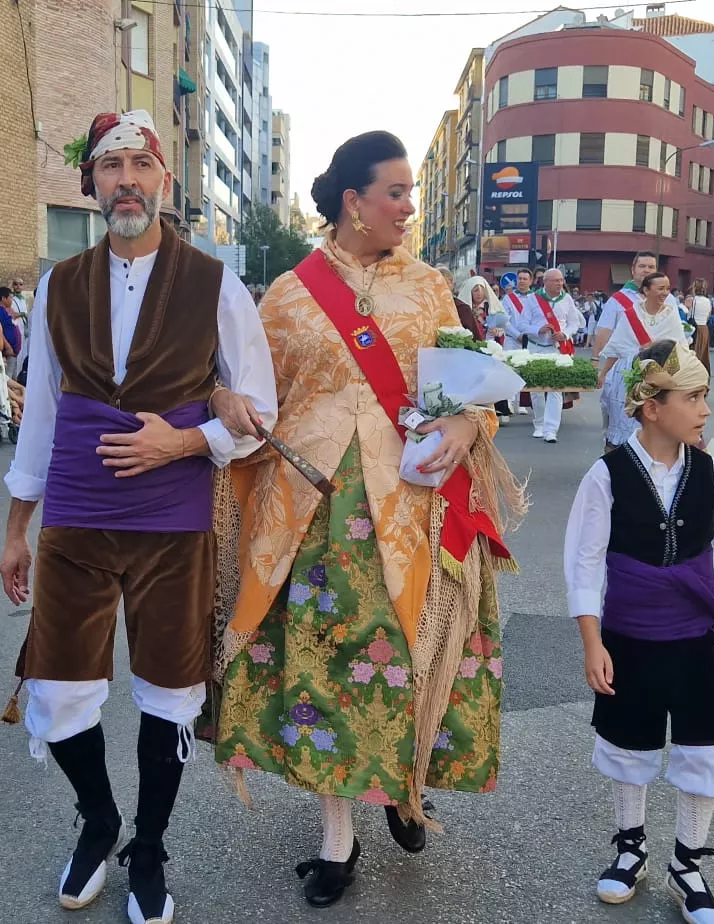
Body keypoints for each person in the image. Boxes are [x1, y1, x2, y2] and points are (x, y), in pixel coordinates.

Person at [211, 130, 521, 910]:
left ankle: (408, 783)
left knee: (412, 650)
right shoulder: (286, 294)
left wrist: (465, 425)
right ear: (354, 201)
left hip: (413, 506)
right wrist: (221, 401)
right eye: (397, 193)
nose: (409, 208)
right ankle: (337, 837)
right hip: (314, 512)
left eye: (413, 193)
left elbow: (471, 388)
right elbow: (250, 393)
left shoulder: (429, 289)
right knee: (325, 666)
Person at [0, 109, 276, 924]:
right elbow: (42, 416)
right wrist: (17, 525)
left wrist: (184, 440)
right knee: (58, 689)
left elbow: (260, 410)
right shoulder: (60, 283)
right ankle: (99, 818)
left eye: (140, 164)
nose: (126, 179)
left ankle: (149, 843)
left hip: (171, 515)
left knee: (168, 688)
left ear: (164, 180)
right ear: (90, 185)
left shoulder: (215, 282)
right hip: (78, 515)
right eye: (109, 166)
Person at [564, 338, 714, 923]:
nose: (704, 410)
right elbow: (585, 562)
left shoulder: (709, 469)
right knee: (629, 740)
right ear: (652, 407)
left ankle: (688, 863)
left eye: (704, 397)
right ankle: (630, 847)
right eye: (693, 398)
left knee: (703, 742)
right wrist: (593, 642)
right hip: (629, 634)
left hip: (694, 637)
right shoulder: (607, 473)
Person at [593, 266, 686, 449]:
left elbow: (681, 347)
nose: (665, 293)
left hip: (660, 374)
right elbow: (617, 348)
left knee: (653, 419)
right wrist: (603, 373)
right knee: (625, 418)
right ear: (646, 291)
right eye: (660, 288)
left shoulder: (671, 314)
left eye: (667, 288)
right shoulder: (631, 314)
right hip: (629, 373)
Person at [507, 268, 583, 443]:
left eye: (561, 280)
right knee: (537, 389)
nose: (560, 283)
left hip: (557, 348)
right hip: (535, 347)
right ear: (546, 282)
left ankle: (551, 429)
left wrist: (565, 334)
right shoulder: (533, 299)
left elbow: (574, 323)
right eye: (555, 280)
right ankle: (539, 424)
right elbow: (521, 324)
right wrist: (537, 330)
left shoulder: (567, 299)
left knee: (555, 389)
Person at [686, 280, 713, 371]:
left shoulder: (691, 300)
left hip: (694, 328)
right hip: (704, 328)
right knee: (703, 354)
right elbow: (708, 315)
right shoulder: (708, 301)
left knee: (692, 351)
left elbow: (686, 313)